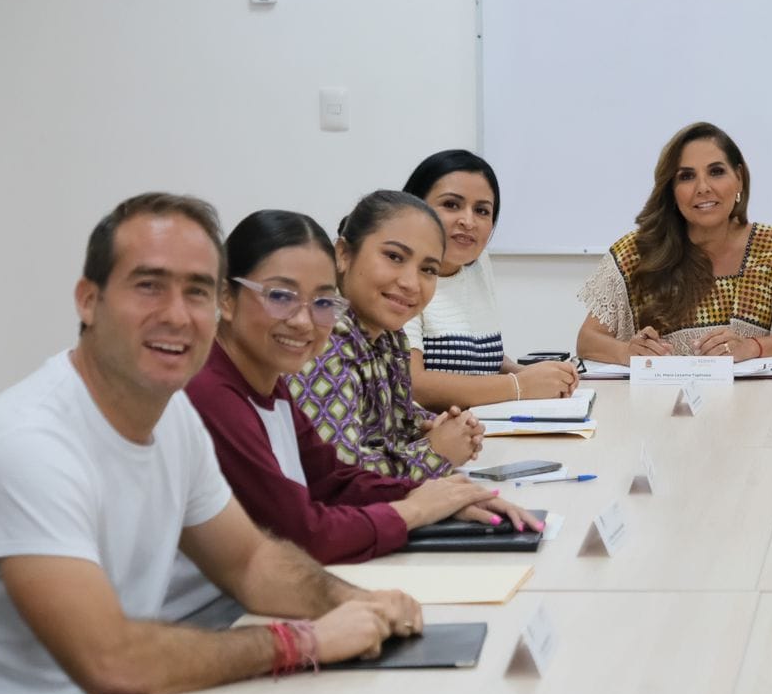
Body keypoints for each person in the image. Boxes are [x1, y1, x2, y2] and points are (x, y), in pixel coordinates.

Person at [0, 193, 424, 694]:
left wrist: (358, 604)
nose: (177, 314)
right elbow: (109, 659)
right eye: (148, 286)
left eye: (195, 290)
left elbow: (252, 561)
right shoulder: (30, 443)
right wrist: (303, 642)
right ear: (88, 300)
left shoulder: (172, 417)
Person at [187, 209, 541, 564]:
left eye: (322, 303)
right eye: (280, 297)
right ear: (226, 297)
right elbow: (303, 534)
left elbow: (332, 478)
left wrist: (435, 495)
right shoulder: (211, 394)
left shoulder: (267, 383)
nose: (303, 322)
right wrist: (415, 508)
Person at [576, 122, 772, 361]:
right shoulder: (637, 253)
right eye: (686, 176)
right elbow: (587, 341)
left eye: (716, 172)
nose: (703, 187)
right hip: (659, 392)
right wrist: (627, 353)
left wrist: (751, 347)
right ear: (671, 190)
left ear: (739, 177)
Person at [286, 191, 483, 481]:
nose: (410, 283)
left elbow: (396, 422)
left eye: (428, 269)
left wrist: (444, 427)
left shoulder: (389, 336)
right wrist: (435, 453)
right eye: (394, 257)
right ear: (343, 254)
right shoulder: (323, 337)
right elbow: (339, 475)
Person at [401, 150, 579, 407]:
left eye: (482, 210)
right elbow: (413, 384)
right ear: (414, 206)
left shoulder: (478, 265)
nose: (468, 221)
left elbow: (481, 360)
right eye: (451, 204)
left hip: (479, 423)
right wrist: (519, 385)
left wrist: (532, 374)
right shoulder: (401, 279)